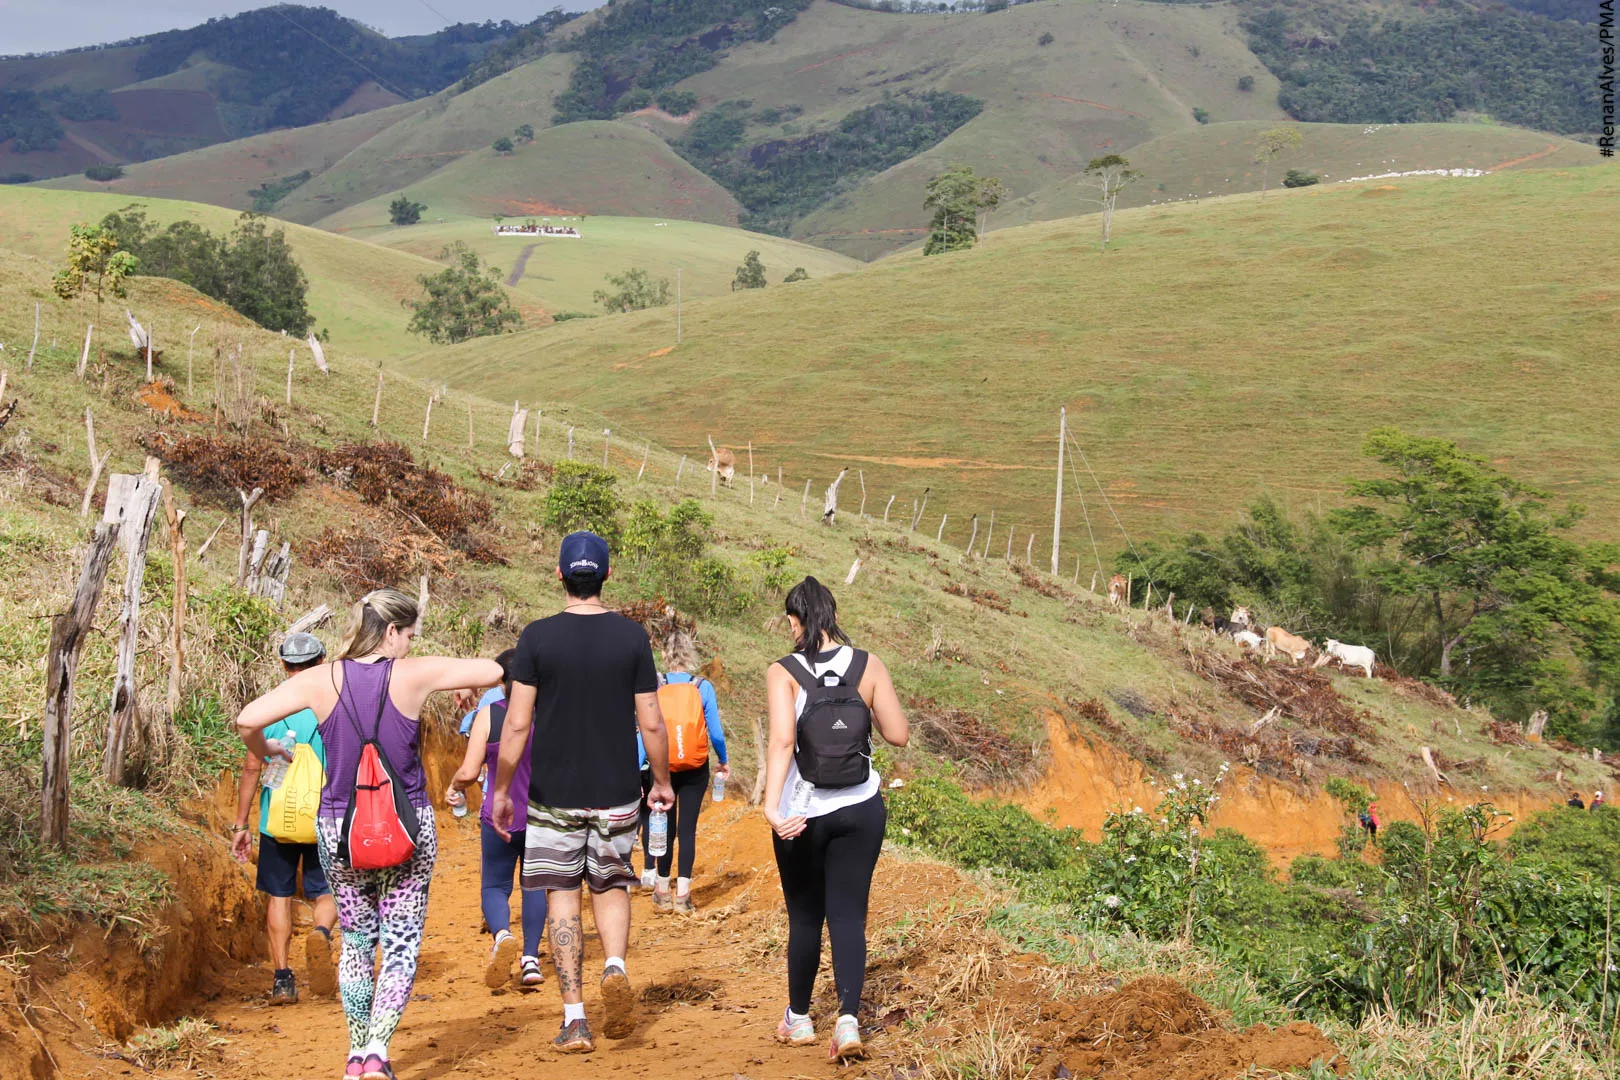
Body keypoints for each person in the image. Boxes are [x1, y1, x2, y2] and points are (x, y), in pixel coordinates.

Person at [236, 589, 501, 1080]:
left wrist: (268, 746)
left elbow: (247, 719)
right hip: (408, 826)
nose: (410, 644)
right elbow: (491, 671)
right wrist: (452, 682)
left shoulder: (320, 678)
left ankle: (355, 1056)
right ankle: (379, 1052)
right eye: (409, 635)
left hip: (339, 829)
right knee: (399, 945)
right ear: (392, 632)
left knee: (357, 941)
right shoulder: (412, 673)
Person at [491, 531, 674, 1055]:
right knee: (612, 884)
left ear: (560, 575)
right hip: (617, 790)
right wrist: (660, 782)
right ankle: (614, 966)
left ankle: (575, 1019)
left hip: (552, 794)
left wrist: (503, 788)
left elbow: (518, 724)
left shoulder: (536, 638)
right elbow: (653, 722)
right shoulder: (633, 638)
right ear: (607, 576)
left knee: (562, 894)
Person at [762, 576, 908, 1063]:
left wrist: (771, 806)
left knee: (805, 916)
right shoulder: (868, 665)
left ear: (794, 622)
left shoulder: (782, 671)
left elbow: (783, 742)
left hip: (803, 815)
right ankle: (848, 1021)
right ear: (834, 616)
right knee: (849, 915)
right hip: (861, 809)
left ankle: (799, 1019)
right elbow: (899, 735)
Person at [230, 631, 338, 1005]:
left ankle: (282, 979)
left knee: (279, 895)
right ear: (321, 661)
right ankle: (321, 934)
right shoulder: (335, 704)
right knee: (327, 890)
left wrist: (242, 824)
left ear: (283, 665)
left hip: (277, 815)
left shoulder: (268, 706)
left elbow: (251, 767)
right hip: (327, 813)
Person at [446, 649, 547, 990]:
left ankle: (503, 935)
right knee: (535, 885)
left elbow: (470, 770)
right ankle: (531, 960)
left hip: (497, 815)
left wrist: (454, 785)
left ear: (501, 681)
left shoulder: (488, 714)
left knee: (494, 885)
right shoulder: (546, 715)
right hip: (541, 814)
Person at [637, 631, 729, 914]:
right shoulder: (703, 687)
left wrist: (638, 766)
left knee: (664, 828)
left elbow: (645, 731)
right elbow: (715, 733)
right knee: (687, 829)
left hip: (662, 766)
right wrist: (723, 760)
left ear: (664, 655)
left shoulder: (654, 685)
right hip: (695, 767)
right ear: (689, 656)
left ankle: (662, 890)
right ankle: (684, 896)